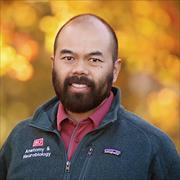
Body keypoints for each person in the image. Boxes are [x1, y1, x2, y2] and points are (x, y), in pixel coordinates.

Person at [0, 14, 179, 180]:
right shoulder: (20, 139)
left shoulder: (150, 146)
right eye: (69, 58)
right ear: (54, 64)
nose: (80, 69)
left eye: (94, 60)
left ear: (115, 70)